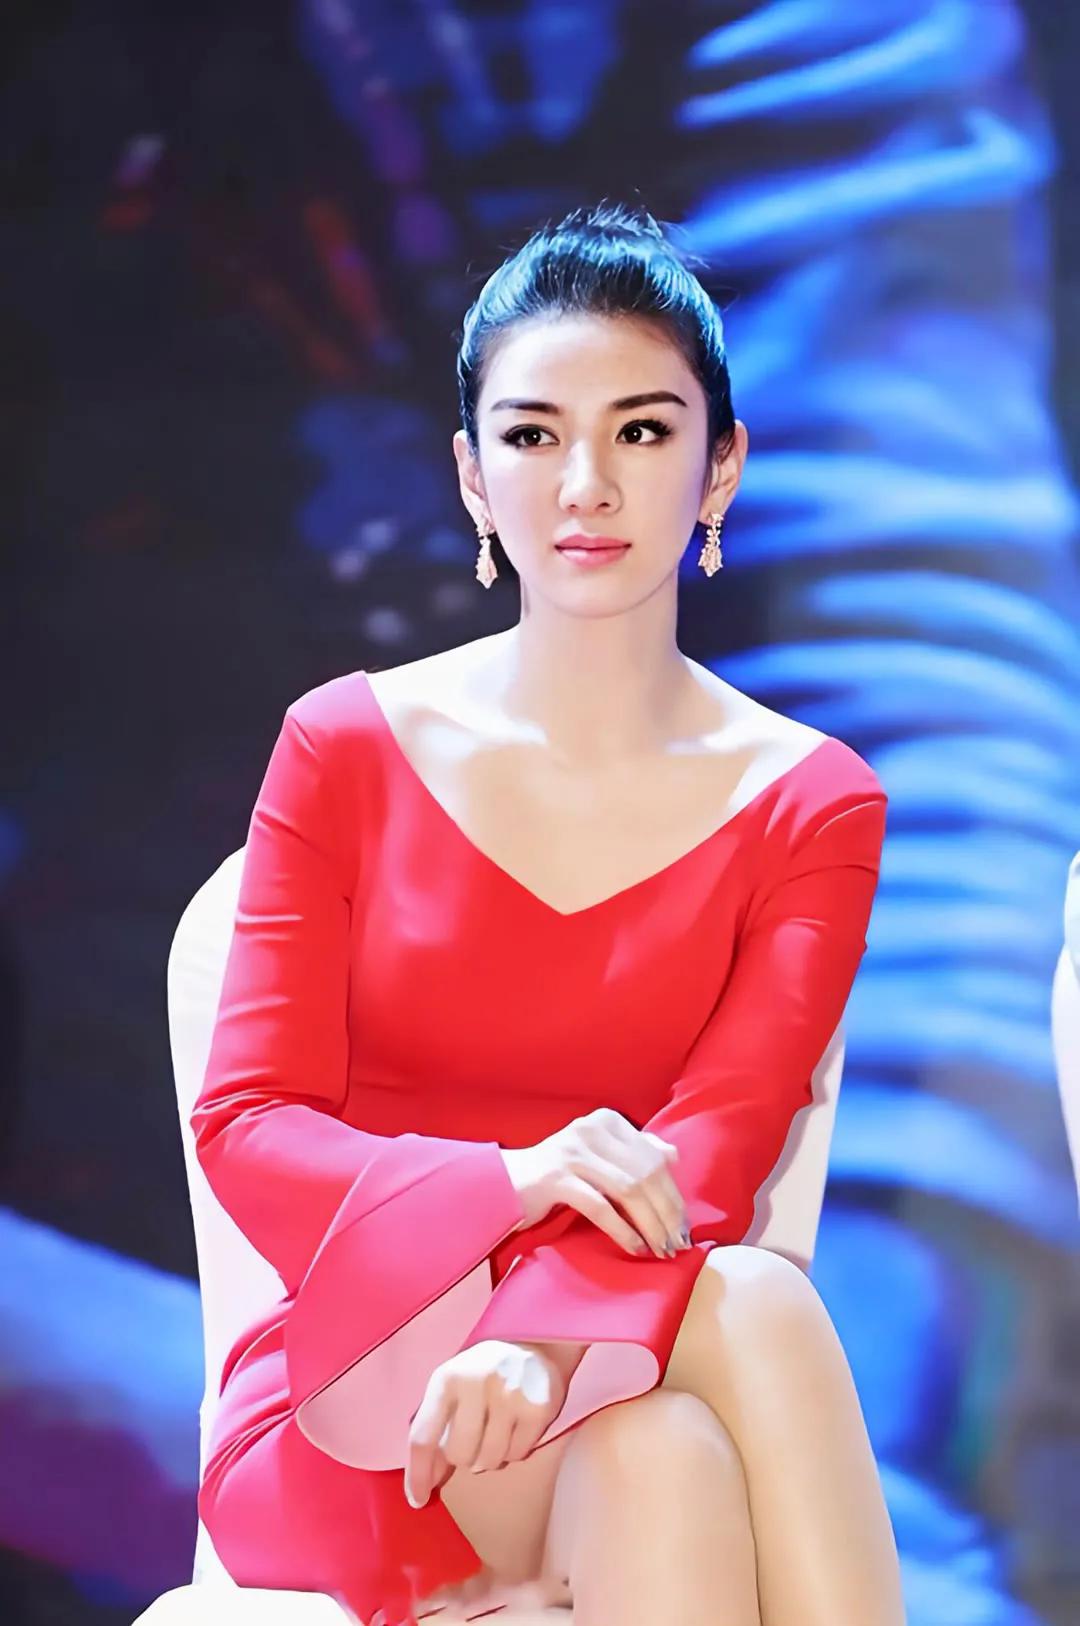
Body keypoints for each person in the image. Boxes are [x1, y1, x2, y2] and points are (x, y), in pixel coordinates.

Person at [191, 200, 905, 1626]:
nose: (586, 484)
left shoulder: (812, 803)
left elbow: (718, 1146)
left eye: (641, 431)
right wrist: (512, 1183)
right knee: (756, 1305)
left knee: (663, 1459)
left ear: (721, 465)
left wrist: (547, 1337)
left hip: (625, 1344)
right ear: (471, 474)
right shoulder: (343, 747)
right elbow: (249, 1125)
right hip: (363, 1378)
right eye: (532, 435)